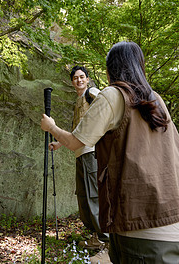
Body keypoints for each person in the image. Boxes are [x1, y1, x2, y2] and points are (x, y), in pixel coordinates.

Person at [41, 41, 179, 263]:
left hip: (137, 226)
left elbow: (77, 141)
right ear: (140, 66)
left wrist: (51, 128)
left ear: (110, 70)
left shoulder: (112, 95)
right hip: (172, 223)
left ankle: (100, 239)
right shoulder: (156, 100)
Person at [49, 66, 109, 256]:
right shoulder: (78, 101)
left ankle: (105, 240)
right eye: (75, 78)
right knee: (83, 195)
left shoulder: (92, 93)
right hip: (80, 153)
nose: (79, 80)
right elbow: (77, 130)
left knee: (93, 194)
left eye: (82, 77)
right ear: (72, 81)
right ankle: (94, 236)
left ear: (88, 79)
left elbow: (107, 110)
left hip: (92, 152)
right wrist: (60, 143)